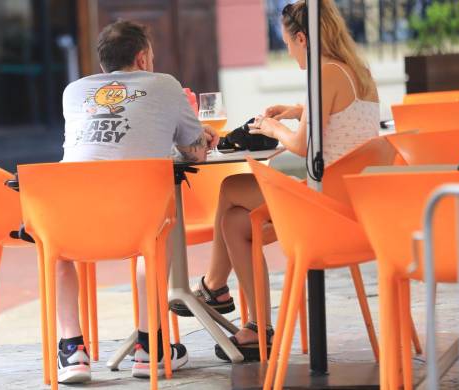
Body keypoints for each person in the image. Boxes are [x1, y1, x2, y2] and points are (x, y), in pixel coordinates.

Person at [170, 0, 380, 362]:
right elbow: (341, 119)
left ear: (301, 37)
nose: (289, 51)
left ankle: (215, 286)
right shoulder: (354, 71)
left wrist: (272, 126)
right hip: (352, 202)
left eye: (287, 43)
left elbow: (302, 147)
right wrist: (296, 110)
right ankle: (256, 328)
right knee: (234, 221)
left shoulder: (325, 73)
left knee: (231, 188)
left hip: (326, 205)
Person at [55, 20, 219, 383]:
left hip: (74, 221)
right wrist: (201, 140)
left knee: (55, 247)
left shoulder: (73, 91)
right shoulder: (165, 85)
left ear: (103, 65)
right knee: (156, 237)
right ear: (143, 57)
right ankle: (150, 349)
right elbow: (195, 156)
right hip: (137, 223)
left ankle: (72, 351)